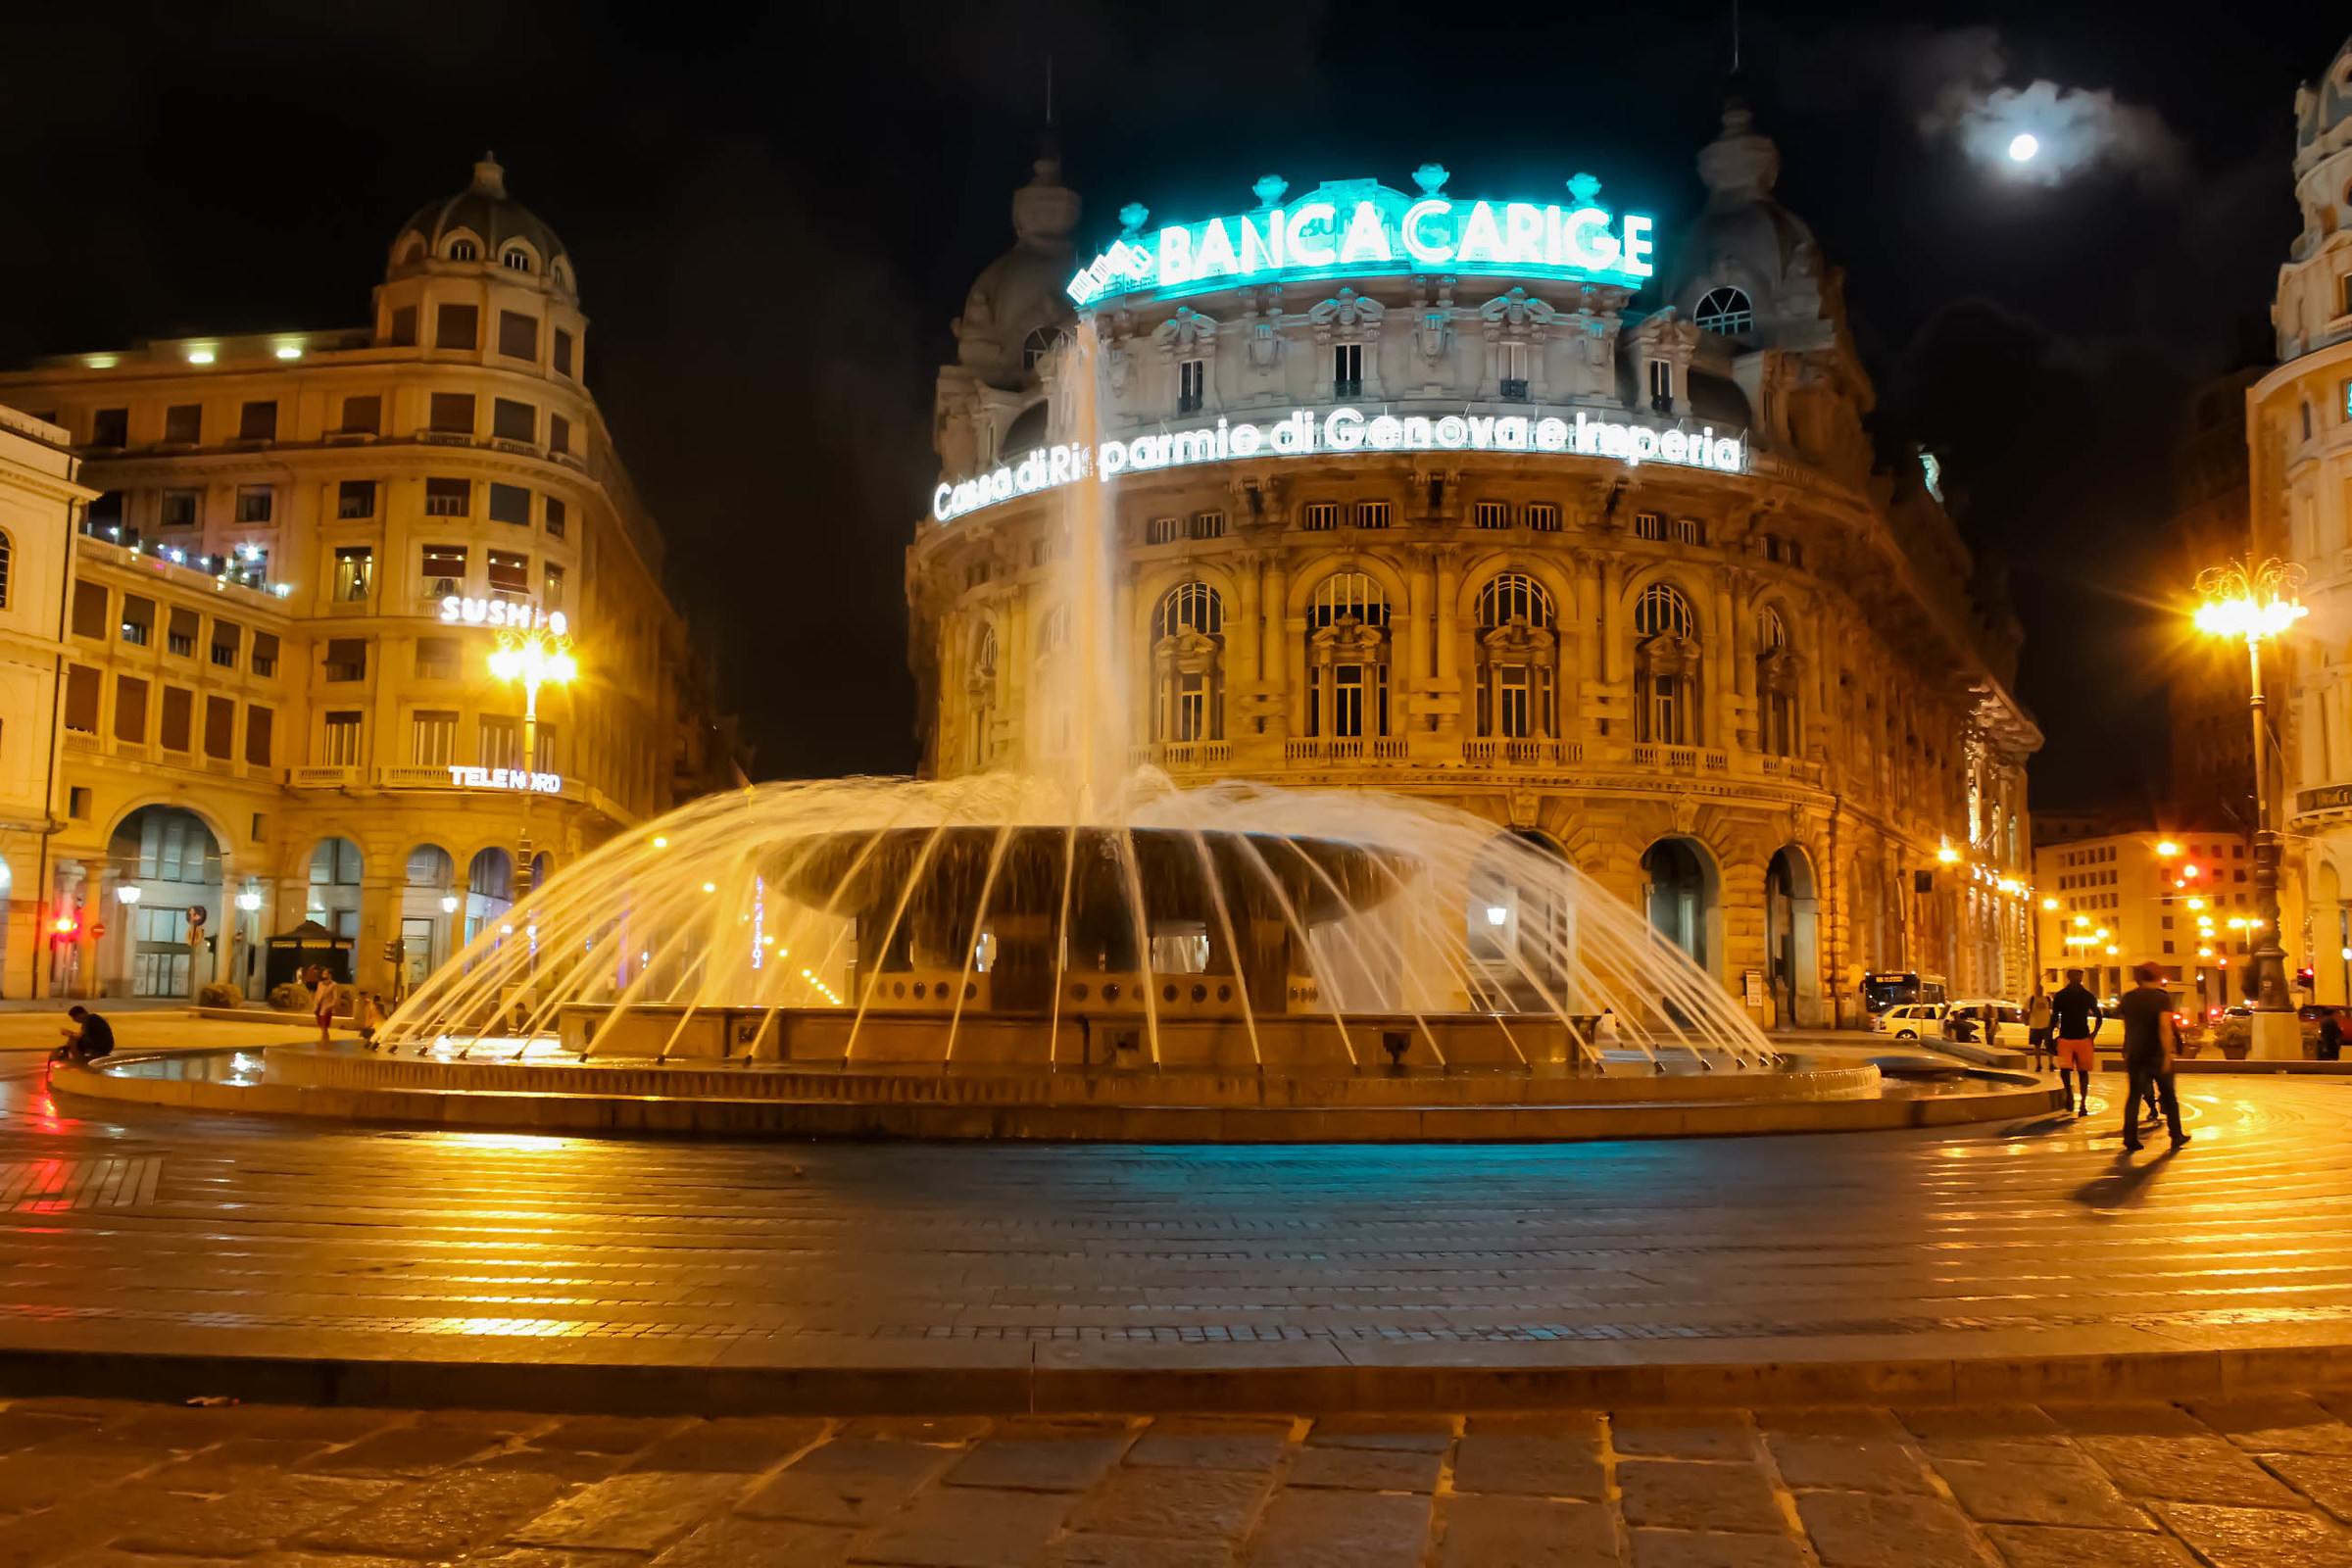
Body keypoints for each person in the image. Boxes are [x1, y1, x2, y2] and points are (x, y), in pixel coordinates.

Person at [2118, 961, 2188, 1152]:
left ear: (2139, 977)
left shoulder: (2128, 997)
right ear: (2157, 976)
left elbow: (2126, 1026)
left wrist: (2127, 1046)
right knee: (2169, 1096)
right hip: (2156, 1054)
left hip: (2135, 1054)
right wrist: (2167, 1054)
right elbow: (2164, 1026)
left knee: (2133, 1096)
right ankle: (2176, 1135)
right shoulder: (2161, 998)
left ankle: (2130, 1137)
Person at [2049, 967, 2102, 1116]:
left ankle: (2083, 1103)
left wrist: (2093, 1034)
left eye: (2079, 975)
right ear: (2068, 976)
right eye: (2074, 974)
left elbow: (2098, 1016)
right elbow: (2054, 1016)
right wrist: (2049, 1035)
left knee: (2083, 1071)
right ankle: (2069, 1094)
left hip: (2082, 1037)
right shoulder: (2061, 996)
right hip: (2066, 1037)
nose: (2077, 977)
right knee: (2065, 1069)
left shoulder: (2087, 996)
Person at [51, 1004, 115, 1068]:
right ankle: (79, 1059)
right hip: (101, 1046)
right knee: (74, 1040)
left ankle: (79, 1061)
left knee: (73, 1040)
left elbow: (78, 1036)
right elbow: (81, 1035)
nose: (74, 1020)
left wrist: (68, 1033)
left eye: (74, 1018)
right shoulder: (91, 1019)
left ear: (80, 1015)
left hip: (100, 1047)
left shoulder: (90, 1019)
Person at [310, 964, 340, 1045]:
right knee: (321, 1026)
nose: (324, 975)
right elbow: (317, 995)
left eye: (326, 973)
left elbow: (336, 998)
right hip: (319, 1007)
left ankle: (323, 1041)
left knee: (325, 1026)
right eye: (323, 973)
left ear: (330, 975)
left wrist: (331, 1006)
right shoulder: (320, 984)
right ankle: (325, 1041)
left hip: (327, 1008)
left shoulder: (334, 985)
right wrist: (315, 1005)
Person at [2026, 990, 2053, 1068]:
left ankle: (2051, 1063)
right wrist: (2026, 1020)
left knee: (2049, 1045)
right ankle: (2038, 1064)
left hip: (2046, 1026)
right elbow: (2024, 1010)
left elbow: (2052, 1010)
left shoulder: (2047, 999)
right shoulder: (2031, 1000)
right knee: (2037, 1046)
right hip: (2035, 1026)